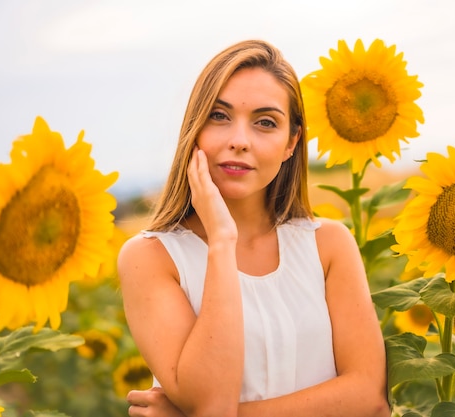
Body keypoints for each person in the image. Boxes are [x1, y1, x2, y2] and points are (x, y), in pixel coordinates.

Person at [117, 39, 391, 417]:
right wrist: (221, 241)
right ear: (194, 129)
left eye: (265, 123)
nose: (239, 141)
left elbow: (369, 400)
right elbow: (210, 403)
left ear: (291, 142)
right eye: (219, 116)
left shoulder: (327, 245)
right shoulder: (151, 258)